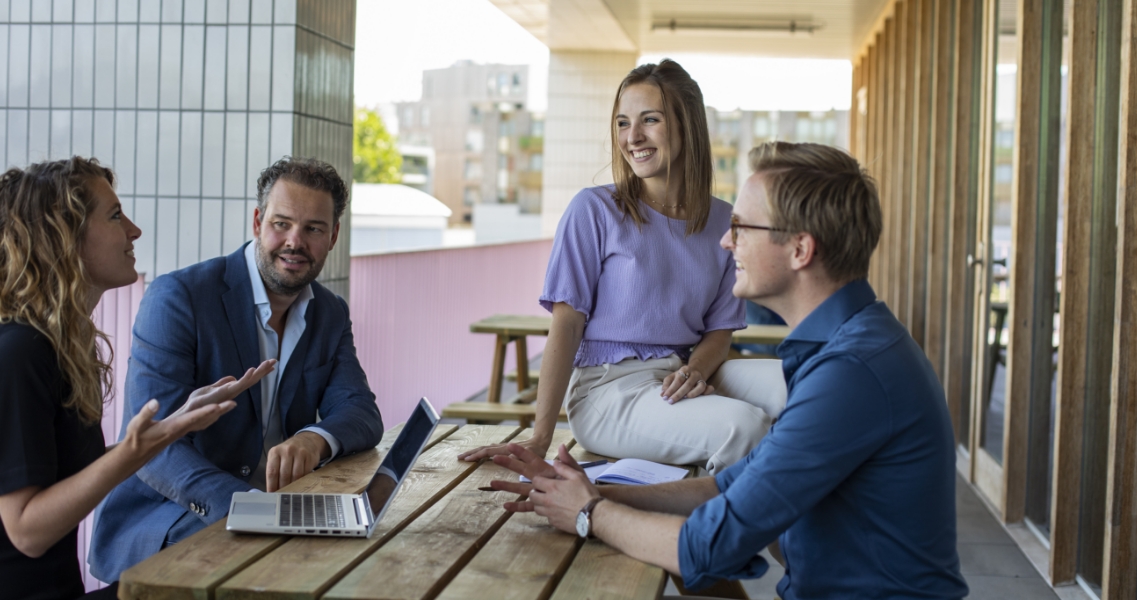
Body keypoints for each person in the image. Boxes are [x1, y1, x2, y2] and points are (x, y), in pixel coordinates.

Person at [490, 142, 969, 599]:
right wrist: (595, 492)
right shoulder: (848, 345)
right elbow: (731, 485)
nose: (724, 240)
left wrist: (590, 513)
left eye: (741, 227)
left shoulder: (851, 373)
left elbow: (707, 546)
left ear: (800, 250)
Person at [460, 60, 786, 474]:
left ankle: (827, 528)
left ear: (688, 125)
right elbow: (567, 324)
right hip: (609, 391)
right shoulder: (593, 210)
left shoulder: (724, 221)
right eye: (622, 123)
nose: (632, 138)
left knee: (806, 387)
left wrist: (695, 372)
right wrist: (541, 437)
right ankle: (710, 534)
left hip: (684, 373)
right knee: (743, 428)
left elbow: (719, 332)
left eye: (650, 120)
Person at [89, 157, 384, 582]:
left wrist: (313, 440)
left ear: (334, 235)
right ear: (257, 221)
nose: (294, 241)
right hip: (169, 518)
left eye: (313, 229)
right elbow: (155, 449)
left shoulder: (330, 312)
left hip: (274, 514)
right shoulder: (179, 298)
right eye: (282, 223)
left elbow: (360, 410)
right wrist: (257, 509)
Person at [0, 157, 274, 600]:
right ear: (63, 237)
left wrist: (174, 426)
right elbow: (27, 531)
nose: (134, 230)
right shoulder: (19, 353)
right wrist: (136, 448)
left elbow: (64, 476)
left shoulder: (55, 346)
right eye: (114, 216)